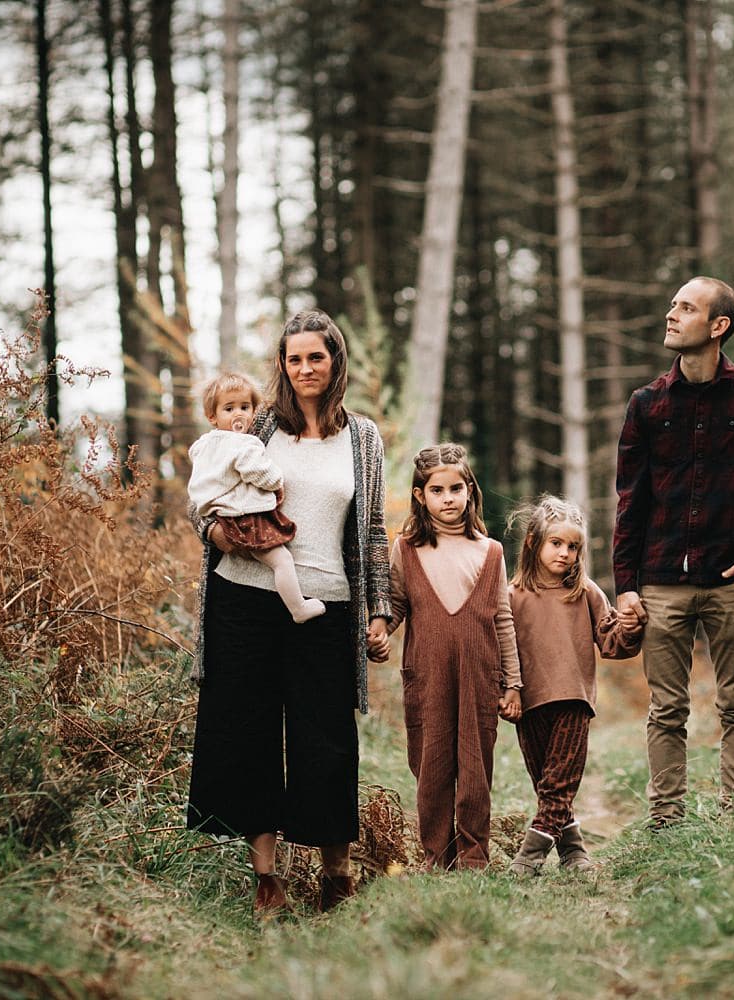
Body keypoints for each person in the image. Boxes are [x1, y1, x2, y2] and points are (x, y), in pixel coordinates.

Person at [186, 309, 392, 917]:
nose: (305, 368)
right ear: (282, 364)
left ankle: (335, 873)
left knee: (325, 734)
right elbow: (206, 489)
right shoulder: (257, 426)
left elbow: (374, 530)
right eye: (294, 358)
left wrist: (379, 608)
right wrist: (213, 532)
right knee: (248, 727)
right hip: (245, 595)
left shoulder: (362, 437)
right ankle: (266, 878)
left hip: (325, 601)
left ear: (335, 363)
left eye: (316, 357)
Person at [612, 276, 734, 829]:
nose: (670, 314)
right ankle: (667, 822)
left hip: (733, 582)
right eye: (671, 304)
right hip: (662, 581)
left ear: (718, 326)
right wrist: (626, 584)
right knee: (666, 710)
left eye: (686, 307)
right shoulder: (646, 404)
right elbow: (631, 501)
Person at [387, 443, 522, 870]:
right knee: (431, 765)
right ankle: (436, 854)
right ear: (420, 496)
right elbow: (393, 605)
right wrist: (377, 632)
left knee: (475, 767)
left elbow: (503, 620)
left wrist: (513, 683)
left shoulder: (491, 552)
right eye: (437, 490)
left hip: (481, 677)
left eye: (456, 488)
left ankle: (474, 854)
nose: (448, 498)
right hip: (427, 676)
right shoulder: (406, 549)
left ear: (470, 491)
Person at [504, 496, 643, 877]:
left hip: (573, 699)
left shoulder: (585, 593)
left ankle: (528, 859)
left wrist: (630, 628)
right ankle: (574, 853)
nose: (565, 553)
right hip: (528, 704)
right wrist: (508, 690)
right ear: (533, 542)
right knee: (547, 784)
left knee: (560, 783)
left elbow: (613, 643)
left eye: (573, 546)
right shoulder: (511, 596)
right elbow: (501, 649)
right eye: (556, 543)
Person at [186, 371, 326, 625]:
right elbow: (261, 474)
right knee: (282, 560)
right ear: (212, 416)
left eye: (244, 407)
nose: (238, 414)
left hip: (223, 518)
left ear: (254, 410)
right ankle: (298, 607)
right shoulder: (243, 444)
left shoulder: (203, 446)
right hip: (246, 519)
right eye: (229, 409)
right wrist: (276, 479)